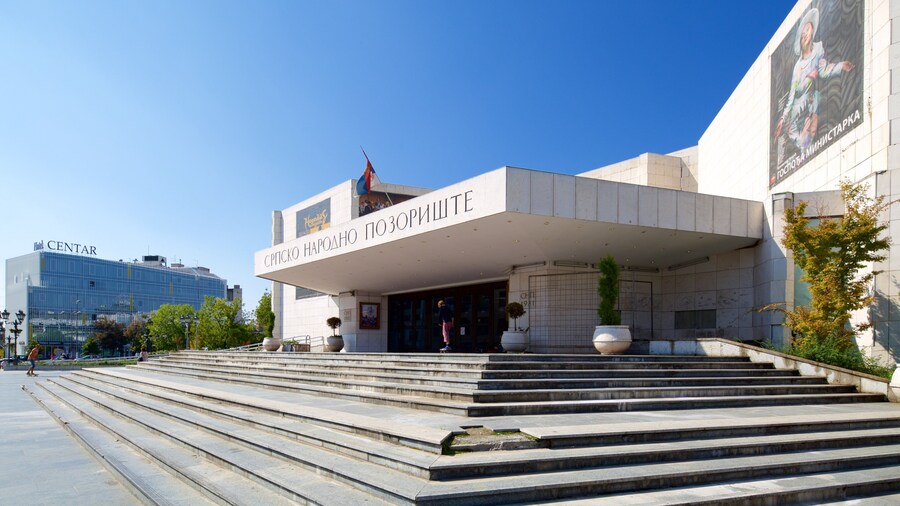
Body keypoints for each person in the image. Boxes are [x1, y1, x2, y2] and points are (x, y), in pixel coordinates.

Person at [774, 7, 855, 153]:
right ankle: (802, 143)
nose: (804, 35)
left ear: (812, 34)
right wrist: (782, 118)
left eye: (807, 31)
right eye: (802, 33)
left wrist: (841, 66)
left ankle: (807, 140)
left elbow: (824, 71)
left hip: (813, 97)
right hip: (800, 101)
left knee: (813, 118)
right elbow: (792, 95)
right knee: (792, 130)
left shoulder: (818, 49)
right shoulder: (797, 67)